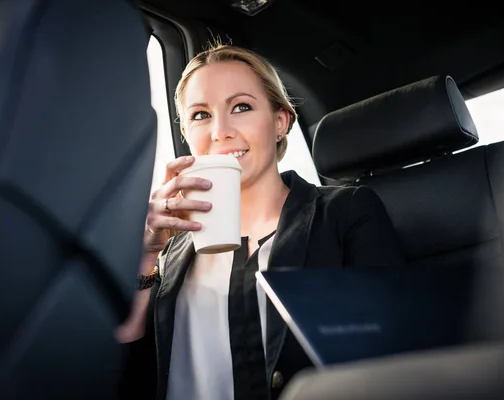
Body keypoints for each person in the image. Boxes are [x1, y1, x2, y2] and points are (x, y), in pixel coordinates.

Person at [116, 44, 405, 400]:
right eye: (200, 115)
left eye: (241, 107)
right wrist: (146, 254)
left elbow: (389, 363)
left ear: (280, 121)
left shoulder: (344, 213)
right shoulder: (174, 248)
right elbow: (128, 376)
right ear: (186, 133)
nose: (220, 131)